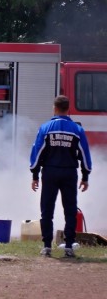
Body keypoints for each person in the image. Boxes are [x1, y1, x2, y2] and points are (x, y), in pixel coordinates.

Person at [30, 95, 92, 258]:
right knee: (70, 210)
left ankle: (47, 247)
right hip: (69, 173)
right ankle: (69, 247)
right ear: (68, 109)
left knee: (47, 210)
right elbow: (85, 154)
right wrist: (85, 176)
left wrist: (35, 175)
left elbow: (37, 153)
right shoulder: (77, 129)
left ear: (55, 108)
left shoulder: (45, 128)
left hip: (50, 172)